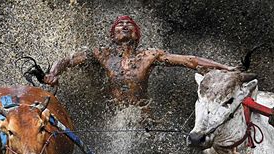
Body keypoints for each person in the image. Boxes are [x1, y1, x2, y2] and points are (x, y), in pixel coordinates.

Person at [44, 15, 235, 107]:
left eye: (129, 24)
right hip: (116, 117)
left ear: (137, 34)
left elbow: (191, 61)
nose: (125, 25)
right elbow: (67, 60)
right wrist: (53, 73)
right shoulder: (102, 54)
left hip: (142, 116)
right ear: (113, 35)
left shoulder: (149, 56)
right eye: (120, 24)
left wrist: (225, 67)